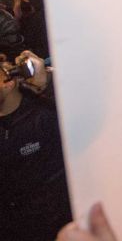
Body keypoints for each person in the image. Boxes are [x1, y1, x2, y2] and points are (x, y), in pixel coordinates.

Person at [1, 51, 71, 241]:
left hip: (62, 223)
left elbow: (85, 109)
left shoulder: (46, 111)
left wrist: (47, 83)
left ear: (8, 82)